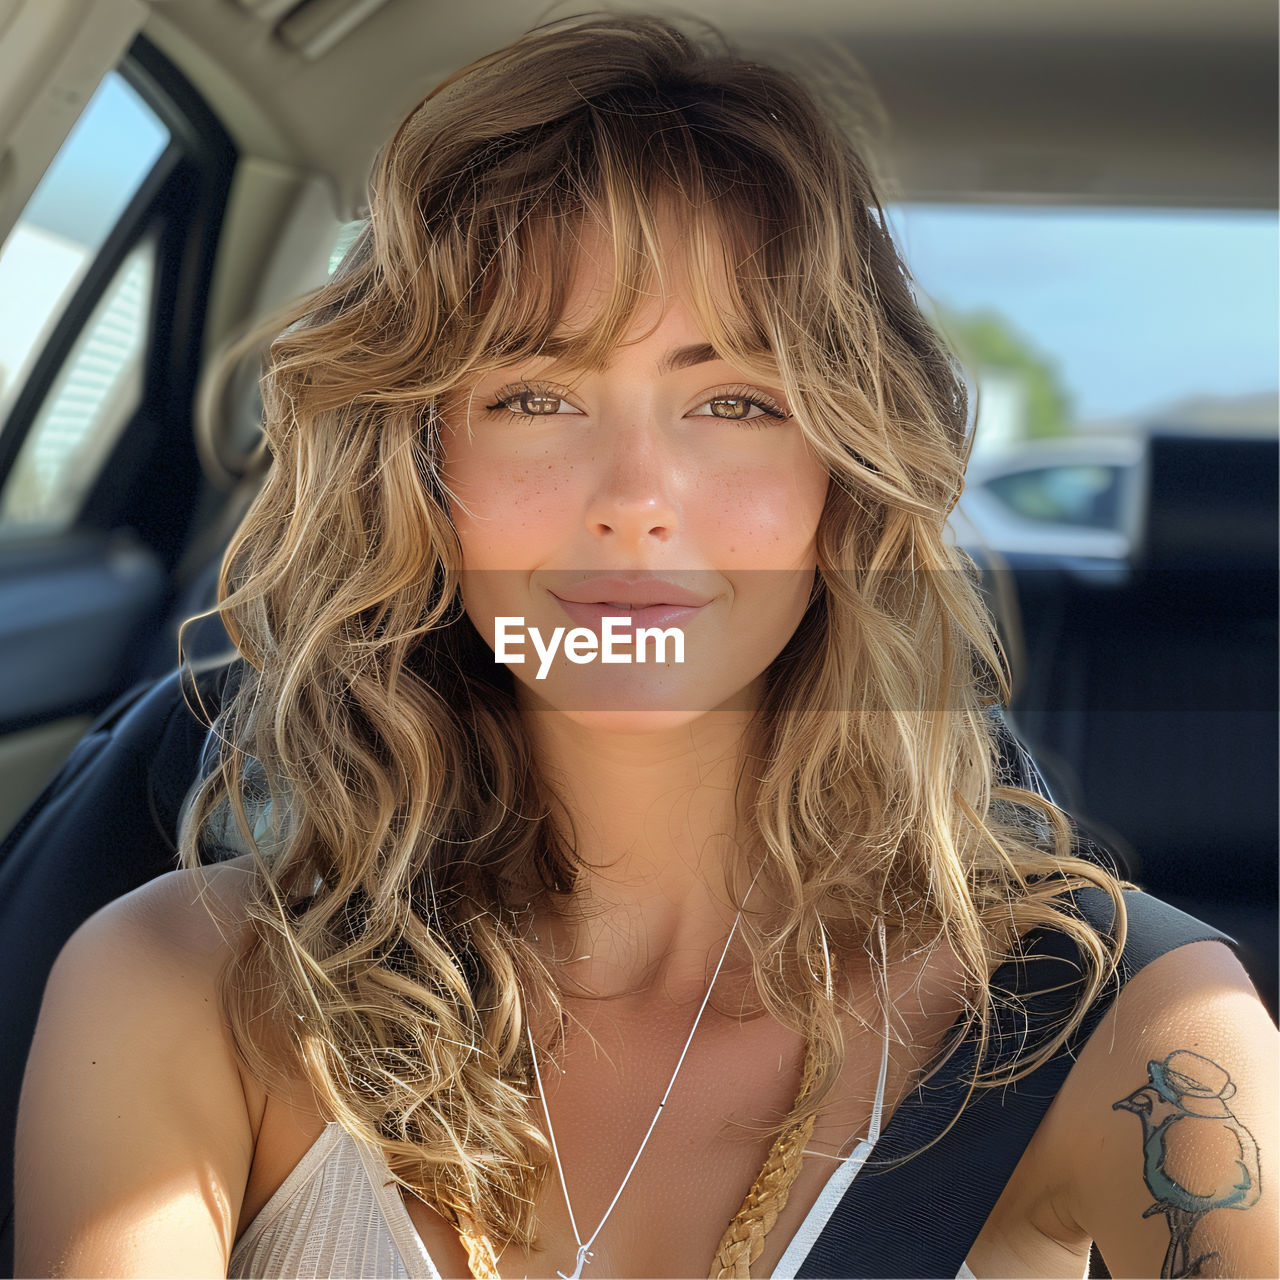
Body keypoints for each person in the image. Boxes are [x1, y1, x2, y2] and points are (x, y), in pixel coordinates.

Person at [14, 14, 1277, 1279]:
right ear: (421, 470)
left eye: (733, 400)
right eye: (533, 395)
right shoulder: (179, 987)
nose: (634, 494)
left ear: (844, 476)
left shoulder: (1129, 1027)